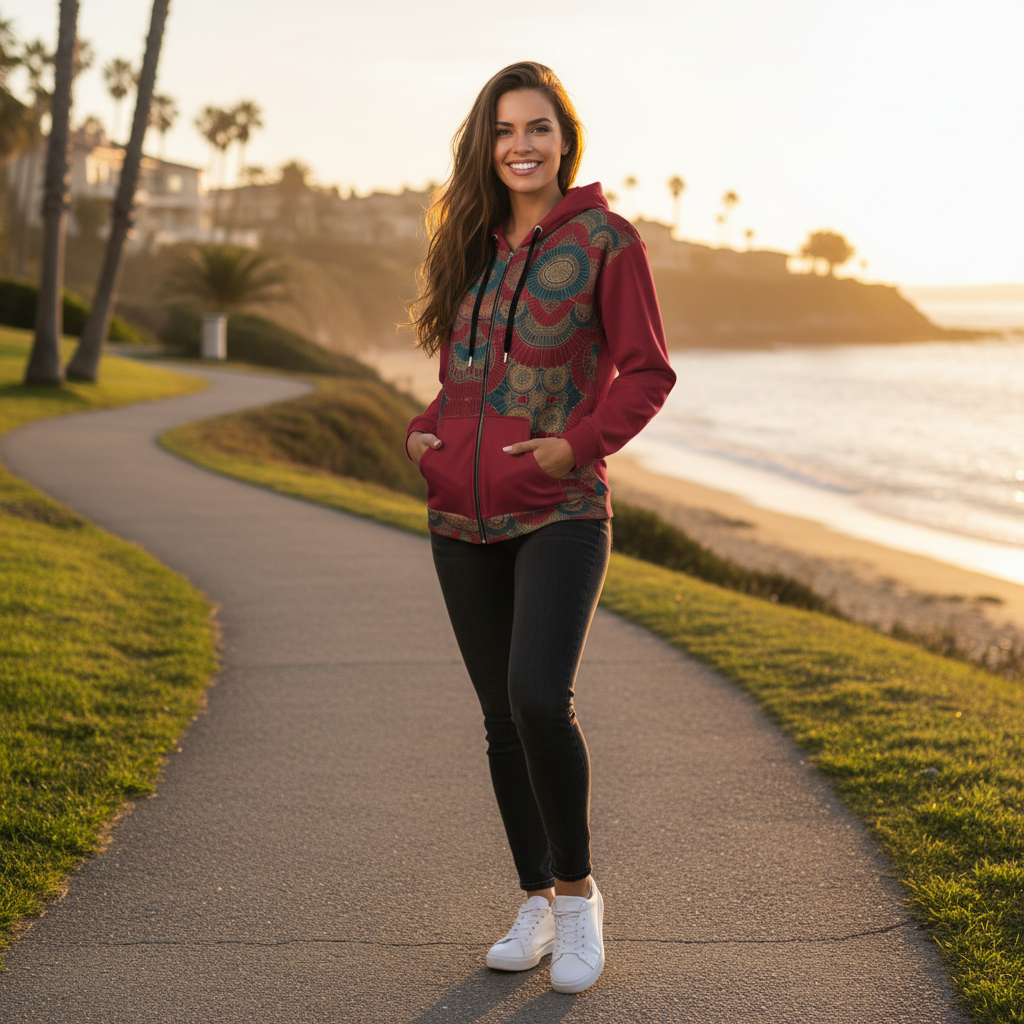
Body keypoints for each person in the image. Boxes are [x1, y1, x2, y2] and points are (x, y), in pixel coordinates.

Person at [406, 61, 675, 994]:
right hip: (458, 515)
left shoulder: (607, 241)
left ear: (566, 139)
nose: (520, 146)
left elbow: (647, 373)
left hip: (561, 509)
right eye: (504, 130)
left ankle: (576, 898)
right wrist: (425, 430)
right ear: (486, 144)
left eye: (538, 129)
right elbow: (461, 376)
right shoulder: (469, 250)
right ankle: (531, 897)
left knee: (535, 698)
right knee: (497, 720)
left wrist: (577, 446)